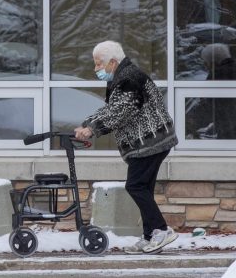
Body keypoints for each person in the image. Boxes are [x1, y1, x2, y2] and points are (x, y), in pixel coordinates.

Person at [74, 41, 179, 254]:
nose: (96, 70)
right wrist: (87, 123)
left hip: (150, 142)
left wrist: (93, 129)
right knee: (143, 188)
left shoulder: (129, 78)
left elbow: (122, 111)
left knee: (135, 186)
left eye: (98, 64)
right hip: (152, 141)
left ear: (112, 62)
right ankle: (151, 236)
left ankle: (161, 230)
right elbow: (112, 108)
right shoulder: (123, 76)